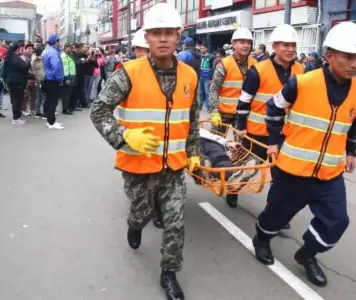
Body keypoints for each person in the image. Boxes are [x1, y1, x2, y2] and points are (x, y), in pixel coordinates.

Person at [90, 3, 199, 299]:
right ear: (146, 38)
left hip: (174, 167)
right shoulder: (128, 73)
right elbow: (98, 110)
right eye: (156, 33)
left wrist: (194, 150)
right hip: (137, 164)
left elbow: (192, 118)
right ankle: (134, 225)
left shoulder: (190, 75)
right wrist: (124, 138)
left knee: (175, 221)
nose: (163, 39)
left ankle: (169, 273)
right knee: (142, 213)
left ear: (178, 36)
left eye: (168, 33)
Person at [251, 21, 356, 287]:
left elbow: (353, 127)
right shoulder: (301, 83)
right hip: (293, 169)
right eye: (347, 56)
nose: (354, 63)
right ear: (329, 56)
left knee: (337, 221)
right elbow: (273, 108)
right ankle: (261, 239)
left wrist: (351, 150)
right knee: (276, 217)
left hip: (329, 173)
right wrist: (273, 140)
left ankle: (307, 254)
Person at [235, 24, 304, 211]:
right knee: (247, 169)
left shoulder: (300, 70)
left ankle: (274, 210)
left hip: (284, 134)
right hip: (257, 132)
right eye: (285, 45)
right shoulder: (258, 70)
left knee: (281, 175)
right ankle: (233, 191)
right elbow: (244, 101)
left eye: (292, 45)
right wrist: (241, 126)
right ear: (274, 47)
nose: (290, 49)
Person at [152, 127, 260, 228]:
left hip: (207, 140)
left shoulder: (198, 127)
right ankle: (206, 168)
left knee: (220, 157)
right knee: (199, 156)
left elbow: (213, 137)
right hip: (186, 142)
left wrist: (228, 142)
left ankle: (233, 177)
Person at [209, 27, 256, 208]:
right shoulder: (224, 63)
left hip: (241, 116)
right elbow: (214, 88)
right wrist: (213, 110)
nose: (245, 45)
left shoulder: (255, 64)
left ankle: (233, 189)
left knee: (240, 151)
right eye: (241, 42)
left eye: (248, 42)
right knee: (215, 145)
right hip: (221, 113)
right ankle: (214, 174)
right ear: (234, 44)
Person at [3, 43, 30, 125]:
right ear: (17, 49)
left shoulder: (10, 57)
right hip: (16, 81)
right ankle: (16, 118)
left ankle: (18, 115)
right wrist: (28, 61)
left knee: (18, 99)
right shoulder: (15, 57)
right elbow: (23, 67)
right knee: (16, 100)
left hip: (13, 81)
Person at [42, 34, 64, 129]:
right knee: (53, 101)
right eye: (59, 41)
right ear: (56, 42)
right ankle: (51, 122)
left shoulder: (45, 51)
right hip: (52, 79)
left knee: (49, 99)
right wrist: (60, 78)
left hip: (45, 77)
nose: (60, 43)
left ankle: (49, 120)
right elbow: (56, 67)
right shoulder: (53, 52)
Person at [61, 42, 76, 115]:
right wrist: (66, 78)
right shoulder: (63, 57)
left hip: (70, 77)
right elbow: (64, 68)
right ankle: (65, 109)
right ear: (66, 47)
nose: (71, 49)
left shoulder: (69, 56)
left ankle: (66, 108)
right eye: (70, 47)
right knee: (65, 94)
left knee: (68, 94)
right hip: (66, 78)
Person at [31, 46, 46, 119]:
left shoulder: (34, 59)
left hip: (37, 79)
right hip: (41, 79)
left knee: (39, 96)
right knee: (43, 97)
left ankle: (38, 112)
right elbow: (41, 70)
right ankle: (45, 112)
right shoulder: (39, 60)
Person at [198, 43, 214, 112]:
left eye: (203, 48)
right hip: (201, 76)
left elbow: (213, 68)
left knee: (207, 93)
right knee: (201, 92)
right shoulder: (199, 56)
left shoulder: (211, 57)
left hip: (207, 77)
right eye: (201, 48)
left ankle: (208, 107)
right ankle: (200, 105)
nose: (202, 49)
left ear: (206, 49)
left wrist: (211, 78)